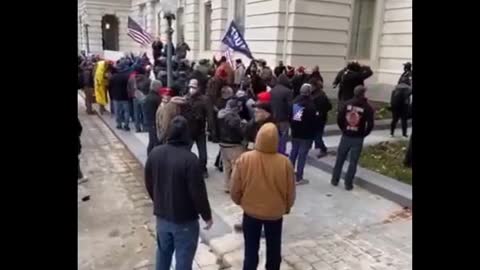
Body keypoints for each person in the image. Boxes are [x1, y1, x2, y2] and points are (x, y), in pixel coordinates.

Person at [145, 115, 213, 270]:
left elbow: (149, 183)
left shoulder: (155, 153)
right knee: (183, 258)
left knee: (163, 255)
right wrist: (207, 216)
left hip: (162, 216)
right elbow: (198, 193)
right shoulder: (190, 159)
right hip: (185, 220)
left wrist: (158, 201)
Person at [230, 123, 296, 270]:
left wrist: (241, 202)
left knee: (251, 250)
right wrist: (286, 208)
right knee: (274, 249)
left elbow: (234, 187)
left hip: (251, 212)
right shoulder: (285, 162)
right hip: (274, 214)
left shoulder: (245, 159)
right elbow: (290, 191)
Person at [331, 85, 374, 190]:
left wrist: (344, 129)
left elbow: (340, 118)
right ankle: (348, 183)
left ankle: (335, 180)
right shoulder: (367, 107)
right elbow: (370, 124)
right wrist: (364, 133)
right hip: (358, 137)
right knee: (353, 162)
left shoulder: (347, 104)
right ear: (363, 94)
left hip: (346, 135)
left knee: (340, 159)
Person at [289, 84, 317, 185]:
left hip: (296, 132)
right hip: (306, 135)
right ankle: (299, 177)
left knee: (293, 153)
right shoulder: (310, 105)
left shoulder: (295, 103)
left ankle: (288, 174)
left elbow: (293, 118)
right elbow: (313, 121)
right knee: (302, 155)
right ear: (309, 92)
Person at [185, 79, 214, 178]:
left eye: (194, 87)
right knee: (186, 151)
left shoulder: (205, 100)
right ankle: (187, 168)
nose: (191, 89)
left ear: (198, 88)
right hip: (188, 129)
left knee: (203, 153)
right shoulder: (186, 98)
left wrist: (210, 129)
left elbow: (210, 115)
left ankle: (203, 169)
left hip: (200, 129)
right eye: (190, 87)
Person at [218, 99, 246, 193]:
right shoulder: (234, 118)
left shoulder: (221, 115)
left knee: (227, 167)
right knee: (236, 167)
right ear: (235, 108)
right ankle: (235, 188)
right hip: (233, 144)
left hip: (223, 143)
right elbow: (239, 131)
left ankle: (227, 186)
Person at [270, 74, 293, 156]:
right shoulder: (288, 91)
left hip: (274, 117)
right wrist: (291, 117)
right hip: (284, 118)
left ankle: (276, 151)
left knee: (276, 136)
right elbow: (290, 106)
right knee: (283, 137)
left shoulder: (272, 90)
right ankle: (281, 153)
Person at [310, 78, 332, 158]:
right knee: (315, 135)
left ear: (315, 86)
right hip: (316, 118)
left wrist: (320, 111)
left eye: (311, 86)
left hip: (319, 119)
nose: (310, 88)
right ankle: (319, 147)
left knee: (317, 136)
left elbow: (329, 106)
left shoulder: (320, 96)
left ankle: (323, 149)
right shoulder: (315, 94)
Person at [128, 66, 151, 132]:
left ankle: (137, 128)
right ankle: (145, 127)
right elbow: (149, 89)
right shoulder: (147, 79)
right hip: (144, 97)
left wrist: (132, 95)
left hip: (135, 97)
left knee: (136, 113)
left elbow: (129, 88)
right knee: (144, 113)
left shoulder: (132, 79)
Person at [109, 64, 132, 131]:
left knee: (117, 111)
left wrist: (111, 96)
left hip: (116, 97)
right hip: (125, 97)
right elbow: (129, 87)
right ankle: (126, 125)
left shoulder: (113, 77)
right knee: (126, 111)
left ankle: (119, 124)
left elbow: (110, 88)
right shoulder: (126, 77)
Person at [144, 80, 163, 155]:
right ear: (156, 87)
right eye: (160, 87)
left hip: (150, 121)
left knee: (152, 141)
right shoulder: (156, 98)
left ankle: (150, 156)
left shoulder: (149, 97)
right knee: (155, 141)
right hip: (154, 122)